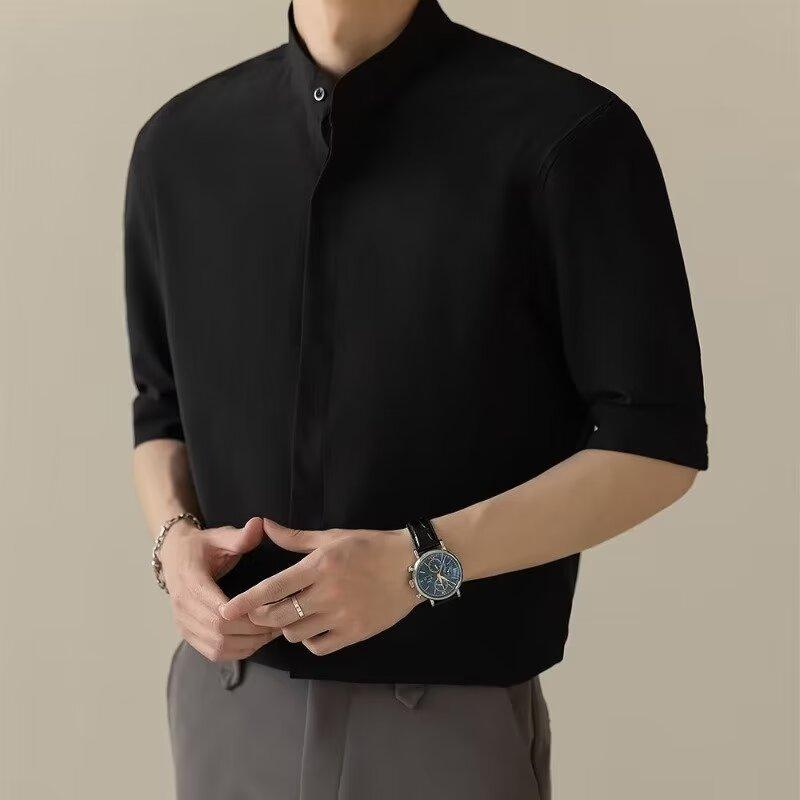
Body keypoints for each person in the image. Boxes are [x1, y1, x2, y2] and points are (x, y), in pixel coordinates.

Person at [124, 0, 709, 797]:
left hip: (445, 719)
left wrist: (419, 563)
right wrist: (173, 541)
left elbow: (654, 445)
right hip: (224, 702)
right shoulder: (179, 147)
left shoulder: (568, 135)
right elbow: (160, 408)